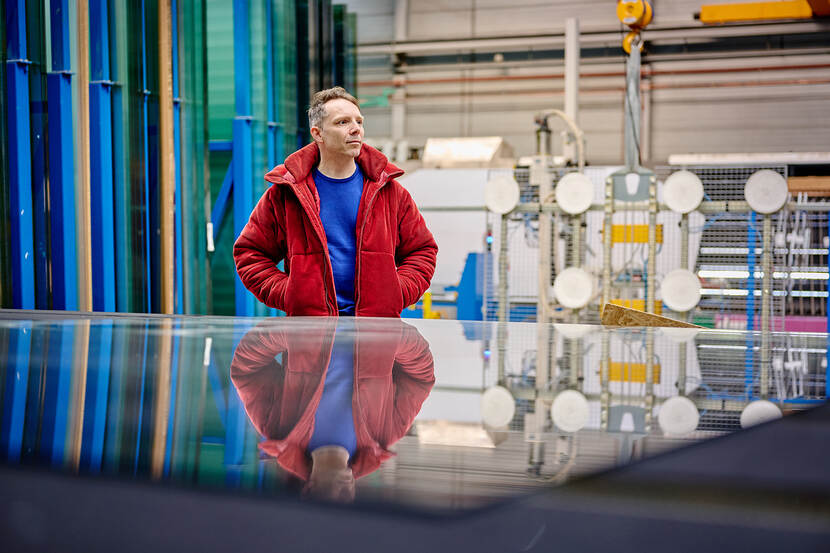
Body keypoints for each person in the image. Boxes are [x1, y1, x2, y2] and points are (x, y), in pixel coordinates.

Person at [233, 87, 437, 317]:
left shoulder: (391, 193)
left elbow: (422, 250)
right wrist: (288, 293)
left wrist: (397, 292)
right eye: (342, 122)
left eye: (359, 121)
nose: (355, 129)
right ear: (318, 134)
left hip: (375, 335)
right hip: (310, 336)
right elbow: (250, 253)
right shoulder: (286, 194)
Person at [230, 318, 435, 502]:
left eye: (336, 500)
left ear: (309, 490)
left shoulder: (279, 430)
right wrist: (392, 338)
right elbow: (420, 380)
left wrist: (292, 333)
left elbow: (246, 370)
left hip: (316, 298)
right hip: (368, 302)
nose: (346, 493)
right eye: (350, 500)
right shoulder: (383, 436)